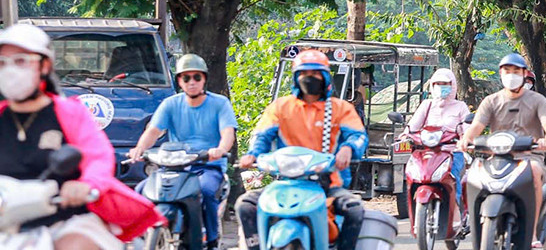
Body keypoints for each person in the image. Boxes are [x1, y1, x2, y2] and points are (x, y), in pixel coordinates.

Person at [0, 24, 161, 250]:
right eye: (2, 63)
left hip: (64, 221)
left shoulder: (68, 112)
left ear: (44, 66)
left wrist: (85, 185)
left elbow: (98, 156)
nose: (10, 70)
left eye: (21, 61)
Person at [237, 49, 368, 250]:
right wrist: (252, 154)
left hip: (328, 184)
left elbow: (358, 136)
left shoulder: (340, 108)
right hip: (285, 183)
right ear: (296, 77)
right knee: (245, 205)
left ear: (325, 76)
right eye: (304, 73)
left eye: (316, 73)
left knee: (355, 210)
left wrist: (348, 149)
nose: (310, 78)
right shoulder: (280, 107)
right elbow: (261, 136)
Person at [130, 54, 236, 250]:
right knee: (140, 191)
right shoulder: (171, 104)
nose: (192, 82)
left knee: (205, 191)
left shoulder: (220, 103)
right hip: (174, 166)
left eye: (197, 77)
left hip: (207, 166)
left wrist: (220, 150)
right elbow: (153, 131)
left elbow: (228, 132)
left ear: (204, 79)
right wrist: (139, 149)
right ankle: (139, 239)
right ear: (179, 80)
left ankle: (211, 240)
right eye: (186, 78)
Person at [460, 54, 546, 248]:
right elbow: (477, 127)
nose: (511, 75)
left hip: (529, 156)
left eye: (516, 71)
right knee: (471, 174)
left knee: (535, 171)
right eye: (507, 71)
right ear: (501, 73)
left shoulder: (537, 100)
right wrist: (466, 139)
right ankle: (470, 225)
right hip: (497, 157)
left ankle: (531, 233)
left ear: (524, 74)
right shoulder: (491, 101)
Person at [406, 68, 470, 205]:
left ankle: (457, 210)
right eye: (437, 83)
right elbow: (413, 126)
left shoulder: (460, 106)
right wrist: (404, 135)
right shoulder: (427, 105)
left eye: (445, 83)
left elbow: (467, 128)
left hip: (452, 152)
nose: (441, 87)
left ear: (452, 85)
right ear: (432, 86)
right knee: (414, 175)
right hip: (427, 152)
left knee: (453, 177)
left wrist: (465, 139)